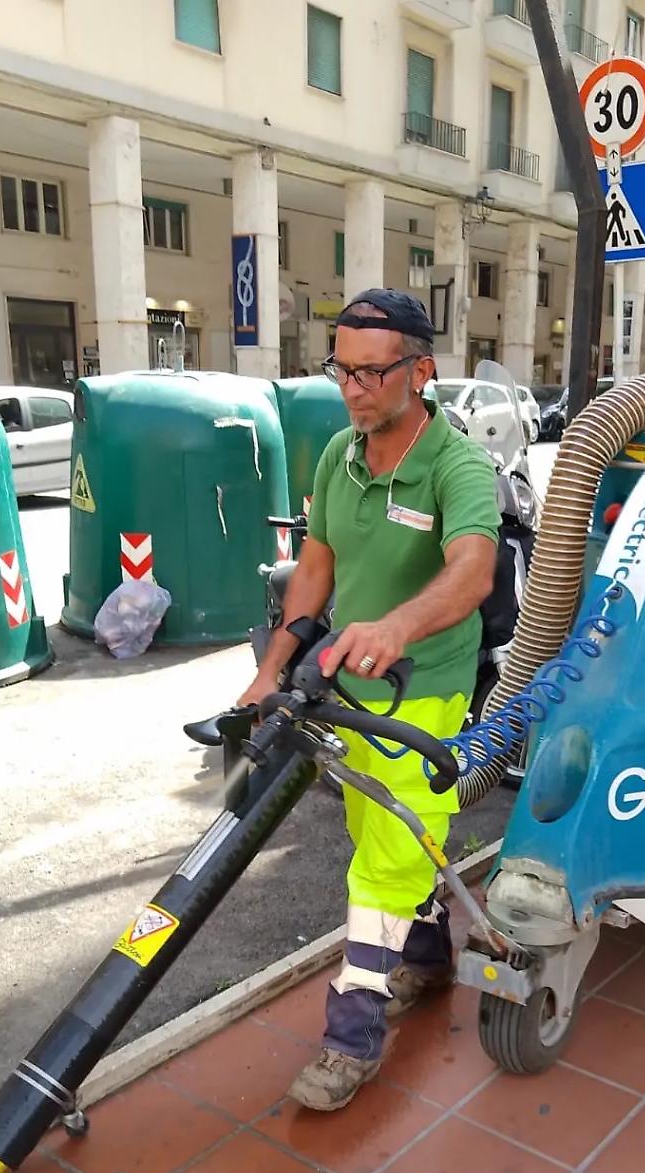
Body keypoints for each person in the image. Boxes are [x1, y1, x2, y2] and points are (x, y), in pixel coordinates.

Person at [239, 289, 499, 1111]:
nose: (352, 388)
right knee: (385, 831)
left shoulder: (457, 466)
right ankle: (426, 960)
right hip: (347, 686)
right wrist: (274, 664)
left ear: (420, 371)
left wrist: (398, 624)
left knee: (381, 860)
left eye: (372, 372)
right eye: (341, 370)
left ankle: (351, 1037)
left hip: (426, 689)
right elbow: (316, 567)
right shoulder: (337, 455)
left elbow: (472, 571)